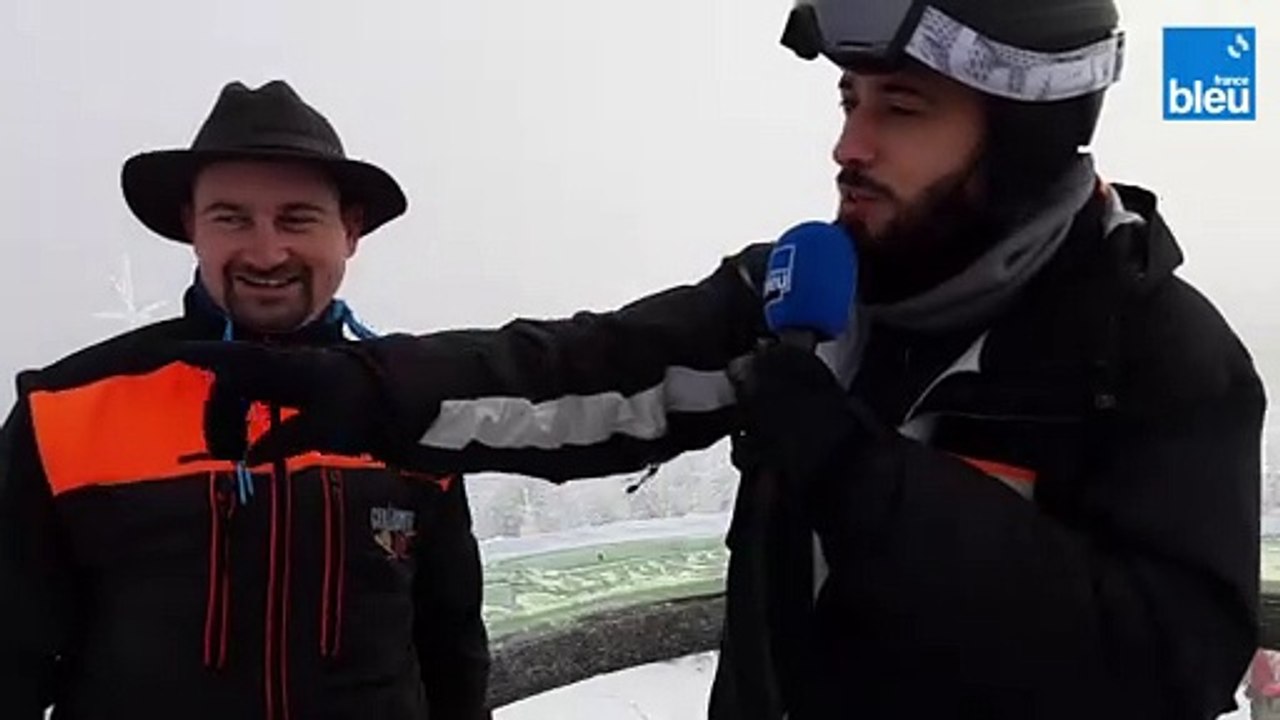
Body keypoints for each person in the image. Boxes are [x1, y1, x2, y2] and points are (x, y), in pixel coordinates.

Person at [181, 1, 1266, 717]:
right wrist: (368, 389)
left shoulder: (1156, 354)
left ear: (1025, 138)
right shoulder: (802, 296)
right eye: (847, 101)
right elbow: (592, 370)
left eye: (900, 108)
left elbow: (1167, 661)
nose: (848, 144)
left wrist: (858, 476)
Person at [0, 80, 492, 720]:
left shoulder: (409, 405)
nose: (266, 252)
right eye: (231, 218)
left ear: (350, 230)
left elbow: (451, 648)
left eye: (297, 218)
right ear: (191, 229)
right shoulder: (65, 410)